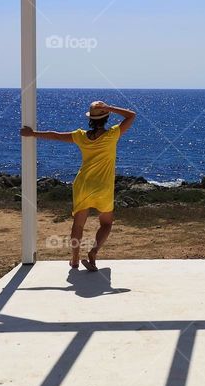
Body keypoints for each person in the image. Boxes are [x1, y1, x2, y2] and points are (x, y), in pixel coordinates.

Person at [20, 100, 136, 271]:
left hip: (83, 184)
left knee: (78, 224)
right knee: (106, 224)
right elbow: (131, 115)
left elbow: (56, 135)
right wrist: (109, 107)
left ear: (90, 119)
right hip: (103, 186)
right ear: (106, 118)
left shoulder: (80, 136)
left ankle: (75, 258)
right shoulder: (112, 135)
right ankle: (93, 252)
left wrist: (32, 133)